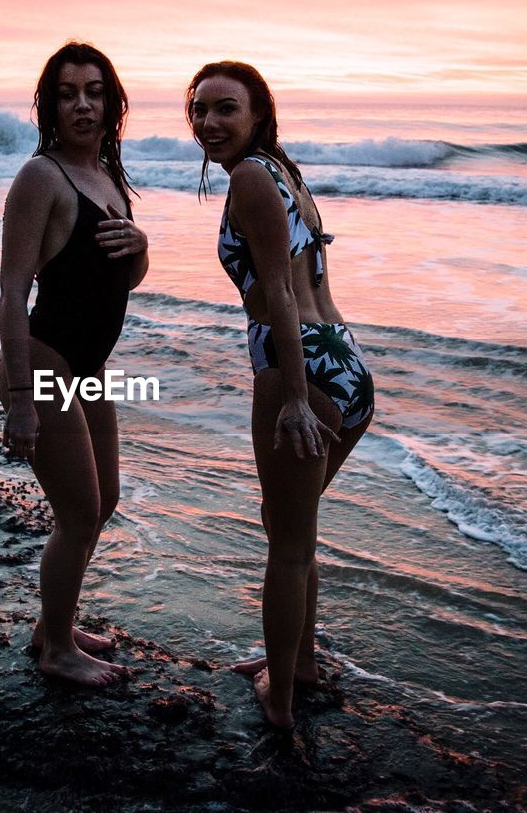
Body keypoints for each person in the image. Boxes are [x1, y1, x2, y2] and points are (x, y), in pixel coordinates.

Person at [186, 62, 374, 727]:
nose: (208, 122)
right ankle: (297, 659)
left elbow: (284, 296)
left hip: (299, 370)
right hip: (344, 365)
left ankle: (282, 700)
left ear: (256, 115)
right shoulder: (285, 173)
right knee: (291, 531)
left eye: (224, 109)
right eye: (199, 108)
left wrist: (294, 395)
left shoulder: (248, 178)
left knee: (288, 546)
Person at [0, 42, 149, 686]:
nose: (82, 103)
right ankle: (57, 650)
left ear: (112, 103)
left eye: (94, 91)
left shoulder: (109, 177)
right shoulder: (42, 177)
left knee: (102, 499)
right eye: (67, 92)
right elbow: (11, 290)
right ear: (49, 105)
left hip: (89, 368)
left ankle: (49, 625)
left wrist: (143, 248)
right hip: (45, 365)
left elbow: (124, 278)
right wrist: (22, 400)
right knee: (79, 513)